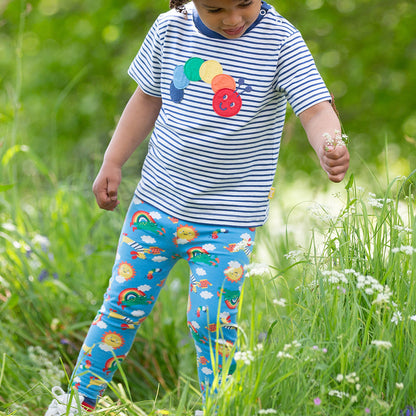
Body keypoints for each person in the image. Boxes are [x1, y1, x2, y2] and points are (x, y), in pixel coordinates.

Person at [45, 0, 350, 414]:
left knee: (211, 323)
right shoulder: (169, 30)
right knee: (119, 308)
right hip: (154, 208)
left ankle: (219, 408)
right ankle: (76, 402)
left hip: (227, 224)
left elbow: (315, 108)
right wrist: (112, 161)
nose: (233, 19)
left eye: (244, 3)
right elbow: (146, 99)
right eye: (215, 8)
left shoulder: (280, 40)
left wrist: (330, 143)